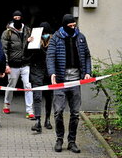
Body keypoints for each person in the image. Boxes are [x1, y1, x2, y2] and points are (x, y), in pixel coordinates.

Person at [46, 14, 91, 153]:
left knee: (75, 113)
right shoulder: (56, 38)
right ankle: (59, 139)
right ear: (65, 25)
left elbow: (87, 55)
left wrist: (88, 71)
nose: (73, 28)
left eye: (74, 25)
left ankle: (72, 141)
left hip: (76, 79)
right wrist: (52, 73)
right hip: (60, 80)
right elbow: (50, 56)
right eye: (70, 26)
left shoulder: (81, 37)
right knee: (58, 112)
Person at [1, 10, 34, 119]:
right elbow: (4, 50)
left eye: (19, 17)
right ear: (12, 19)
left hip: (25, 64)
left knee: (27, 86)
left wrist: (30, 42)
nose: (17, 19)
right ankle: (7, 103)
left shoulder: (28, 30)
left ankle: (30, 110)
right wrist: (6, 65)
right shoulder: (7, 32)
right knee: (11, 85)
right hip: (13, 65)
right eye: (15, 17)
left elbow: (32, 47)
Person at [29, 22, 54, 133]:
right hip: (37, 72)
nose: (45, 35)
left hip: (49, 73)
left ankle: (47, 119)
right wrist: (28, 43)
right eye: (43, 33)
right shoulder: (35, 41)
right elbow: (27, 55)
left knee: (49, 98)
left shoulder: (53, 42)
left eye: (46, 33)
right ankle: (38, 121)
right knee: (37, 97)